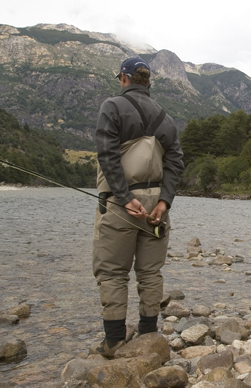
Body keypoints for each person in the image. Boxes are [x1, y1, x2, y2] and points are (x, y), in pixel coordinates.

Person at [90, 57, 184, 357]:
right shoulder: (166, 119)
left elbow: (107, 156)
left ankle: (115, 341)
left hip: (120, 205)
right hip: (156, 208)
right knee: (150, 273)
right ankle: (147, 335)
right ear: (148, 82)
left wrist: (123, 197)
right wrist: (164, 202)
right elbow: (175, 163)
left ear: (124, 79)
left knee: (113, 272)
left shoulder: (112, 106)